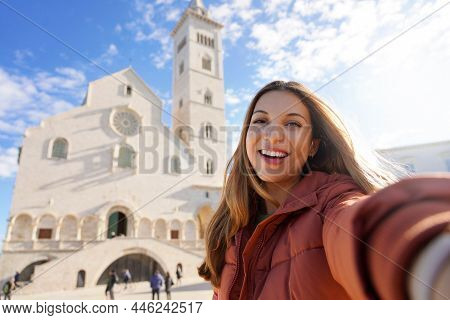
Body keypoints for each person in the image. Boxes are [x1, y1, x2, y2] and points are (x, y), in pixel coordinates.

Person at [198, 80, 450, 300]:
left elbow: (365, 227)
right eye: (261, 120)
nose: (273, 135)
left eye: (293, 124)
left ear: (313, 146)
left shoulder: (332, 204)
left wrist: (431, 255)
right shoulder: (231, 226)